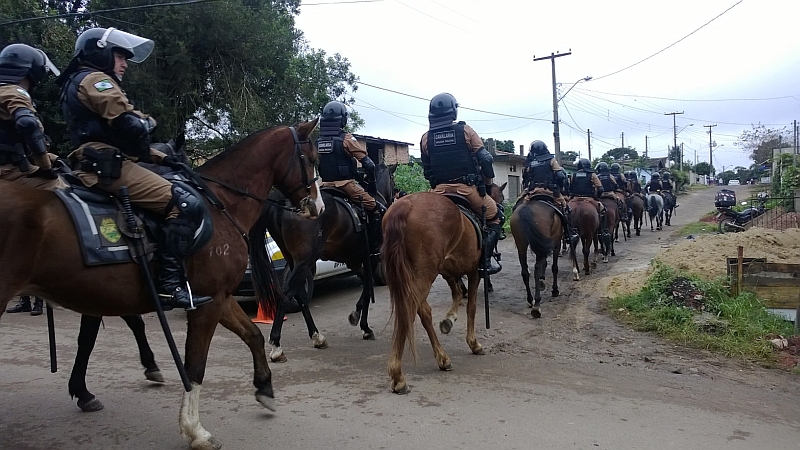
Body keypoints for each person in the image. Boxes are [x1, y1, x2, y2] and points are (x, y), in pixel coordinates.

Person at [56, 27, 211, 311]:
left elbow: (114, 136)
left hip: (102, 158)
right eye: (119, 56)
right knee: (186, 204)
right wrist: (147, 123)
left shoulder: (77, 81)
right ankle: (170, 285)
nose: (124, 63)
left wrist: (162, 157)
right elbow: (130, 125)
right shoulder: (96, 79)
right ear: (100, 52)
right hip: (108, 167)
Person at [420, 92, 502, 274]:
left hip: (438, 192)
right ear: (453, 111)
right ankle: (485, 261)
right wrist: (487, 184)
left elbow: (427, 171)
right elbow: (486, 159)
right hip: (467, 190)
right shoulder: (465, 131)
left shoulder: (426, 138)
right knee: (497, 218)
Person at [316, 100, 384, 257]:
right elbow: (370, 165)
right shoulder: (346, 139)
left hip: (324, 186)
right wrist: (371, 183)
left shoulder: (317, 142)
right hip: (345, 185)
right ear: (342, 119)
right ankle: (374, 248)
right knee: (376, 210)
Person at [0, 43, 67, 190]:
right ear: (34, 72)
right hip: (8, 171)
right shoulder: (15, 91)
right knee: (67, 193)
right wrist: (45, 166)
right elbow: (27, 124)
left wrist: (55, 158)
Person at [521, 139, 576, 242]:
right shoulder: (551, 160)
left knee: (518, 206)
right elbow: (560, 175)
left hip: (533, 191)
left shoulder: (529, 163)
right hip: (549, 191)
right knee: (565, 208)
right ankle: (569, 233)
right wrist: (558, 187)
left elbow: (525, 178)